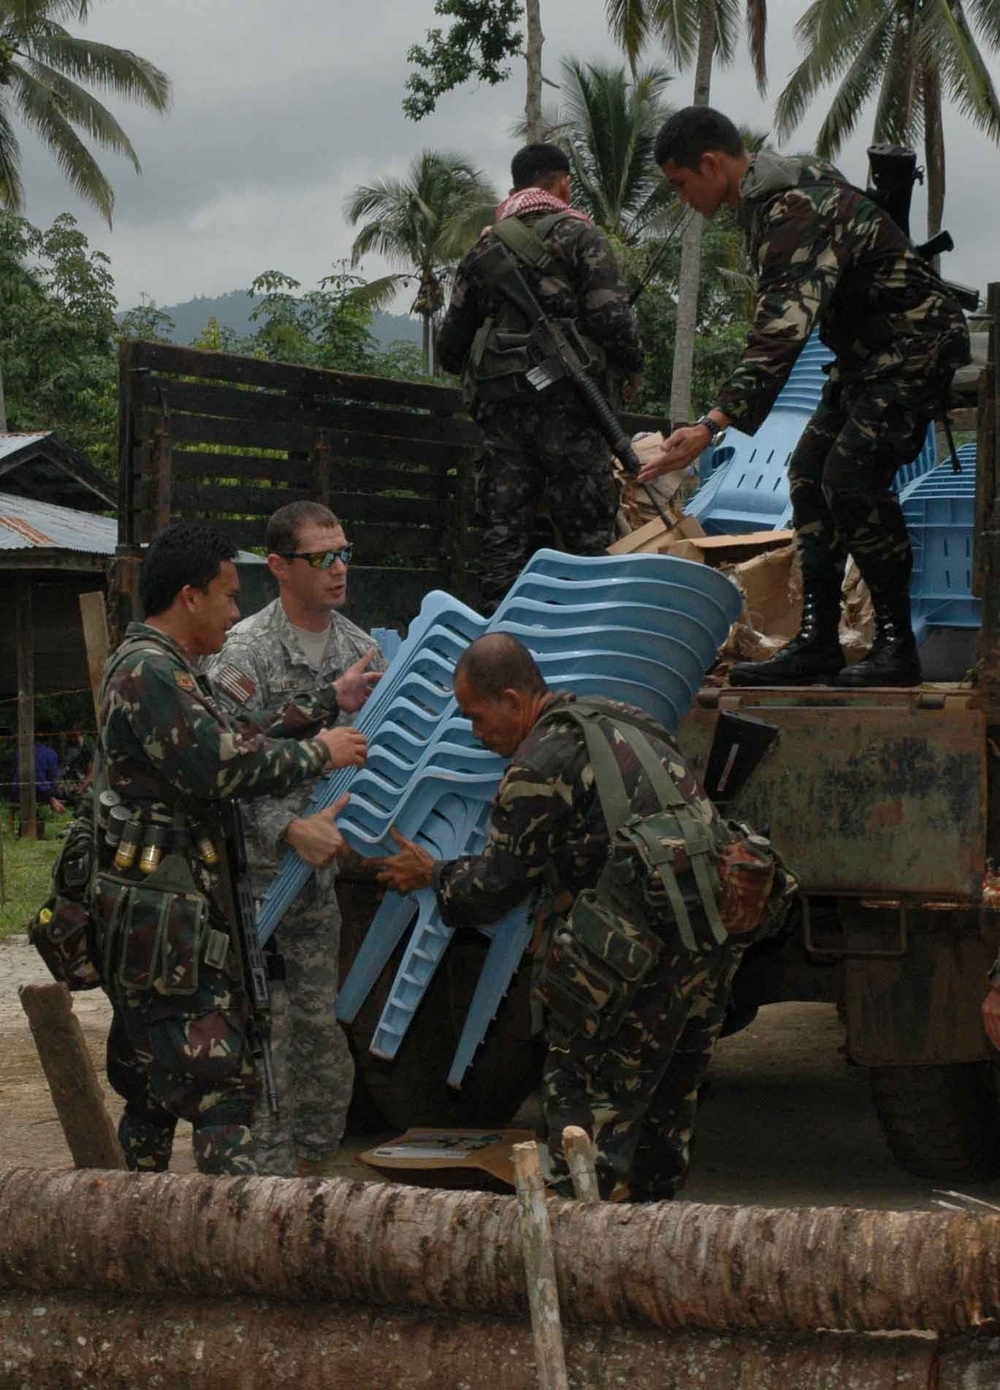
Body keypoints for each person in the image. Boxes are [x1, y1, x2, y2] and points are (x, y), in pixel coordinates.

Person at [377, 633, 793, 1201]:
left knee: (582, 1120)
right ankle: (653, 1247)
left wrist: (432, 875)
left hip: (635, 961)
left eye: (477, 716)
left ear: (512, 697)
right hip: (706, 947)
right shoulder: (625, 719)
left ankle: (578, 1261)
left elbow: (495, 886)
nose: (477, 733)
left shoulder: (539, 762)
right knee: (664, 1121)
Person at [639, 107, 970, 688]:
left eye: (680, 184)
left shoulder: (791, 208)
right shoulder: (775, 191)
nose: (683, 199)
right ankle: (817, 642)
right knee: (807, 474)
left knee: (851, 477)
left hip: (914, 344)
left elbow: (781, 331)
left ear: (711, 164)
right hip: (866, 356)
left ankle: (898, 648)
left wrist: (710, 426)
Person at [95, 521, 366, 1176]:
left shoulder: (165, 669)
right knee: (222, 1086)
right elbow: (221, 764)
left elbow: (231, 729)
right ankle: (230, 1232)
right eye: (226, 595)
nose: (235, 610)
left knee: (156, 1083)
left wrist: (324, 701)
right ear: (190, 597)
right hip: (167, 921)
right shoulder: (148, 673)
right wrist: (319, 751)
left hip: (159, 917)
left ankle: (141, 1223)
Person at [207, 500, 385, 1177]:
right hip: (248, 887)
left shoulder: (359, 652)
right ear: (279, 567)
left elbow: (376, 756)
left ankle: (310, 1179)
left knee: (319, 1042)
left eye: (345, 553)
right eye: (322, 557)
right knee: (261, 1042)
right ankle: (256, 1191)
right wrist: (284, 825)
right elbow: (217, 767)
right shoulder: (242, 652)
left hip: (316, 891)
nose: (340, 569)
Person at [436, 142, 644, 612]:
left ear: (515, 188)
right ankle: (585, 628)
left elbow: (451, 348)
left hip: (504, 415)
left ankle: (497, 642)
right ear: (564, 184)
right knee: (588, 533)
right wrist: (629, 367)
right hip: (575, 411)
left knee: (502, 533)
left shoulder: (484, 247)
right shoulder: (582, 237)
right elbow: (612, 321)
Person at [12, 733, 65, 817]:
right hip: (39, 793)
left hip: (17, 792)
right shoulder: (51, 753)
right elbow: (52, 778)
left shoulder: (20, 751)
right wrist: (51, 796)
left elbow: (15, 772)